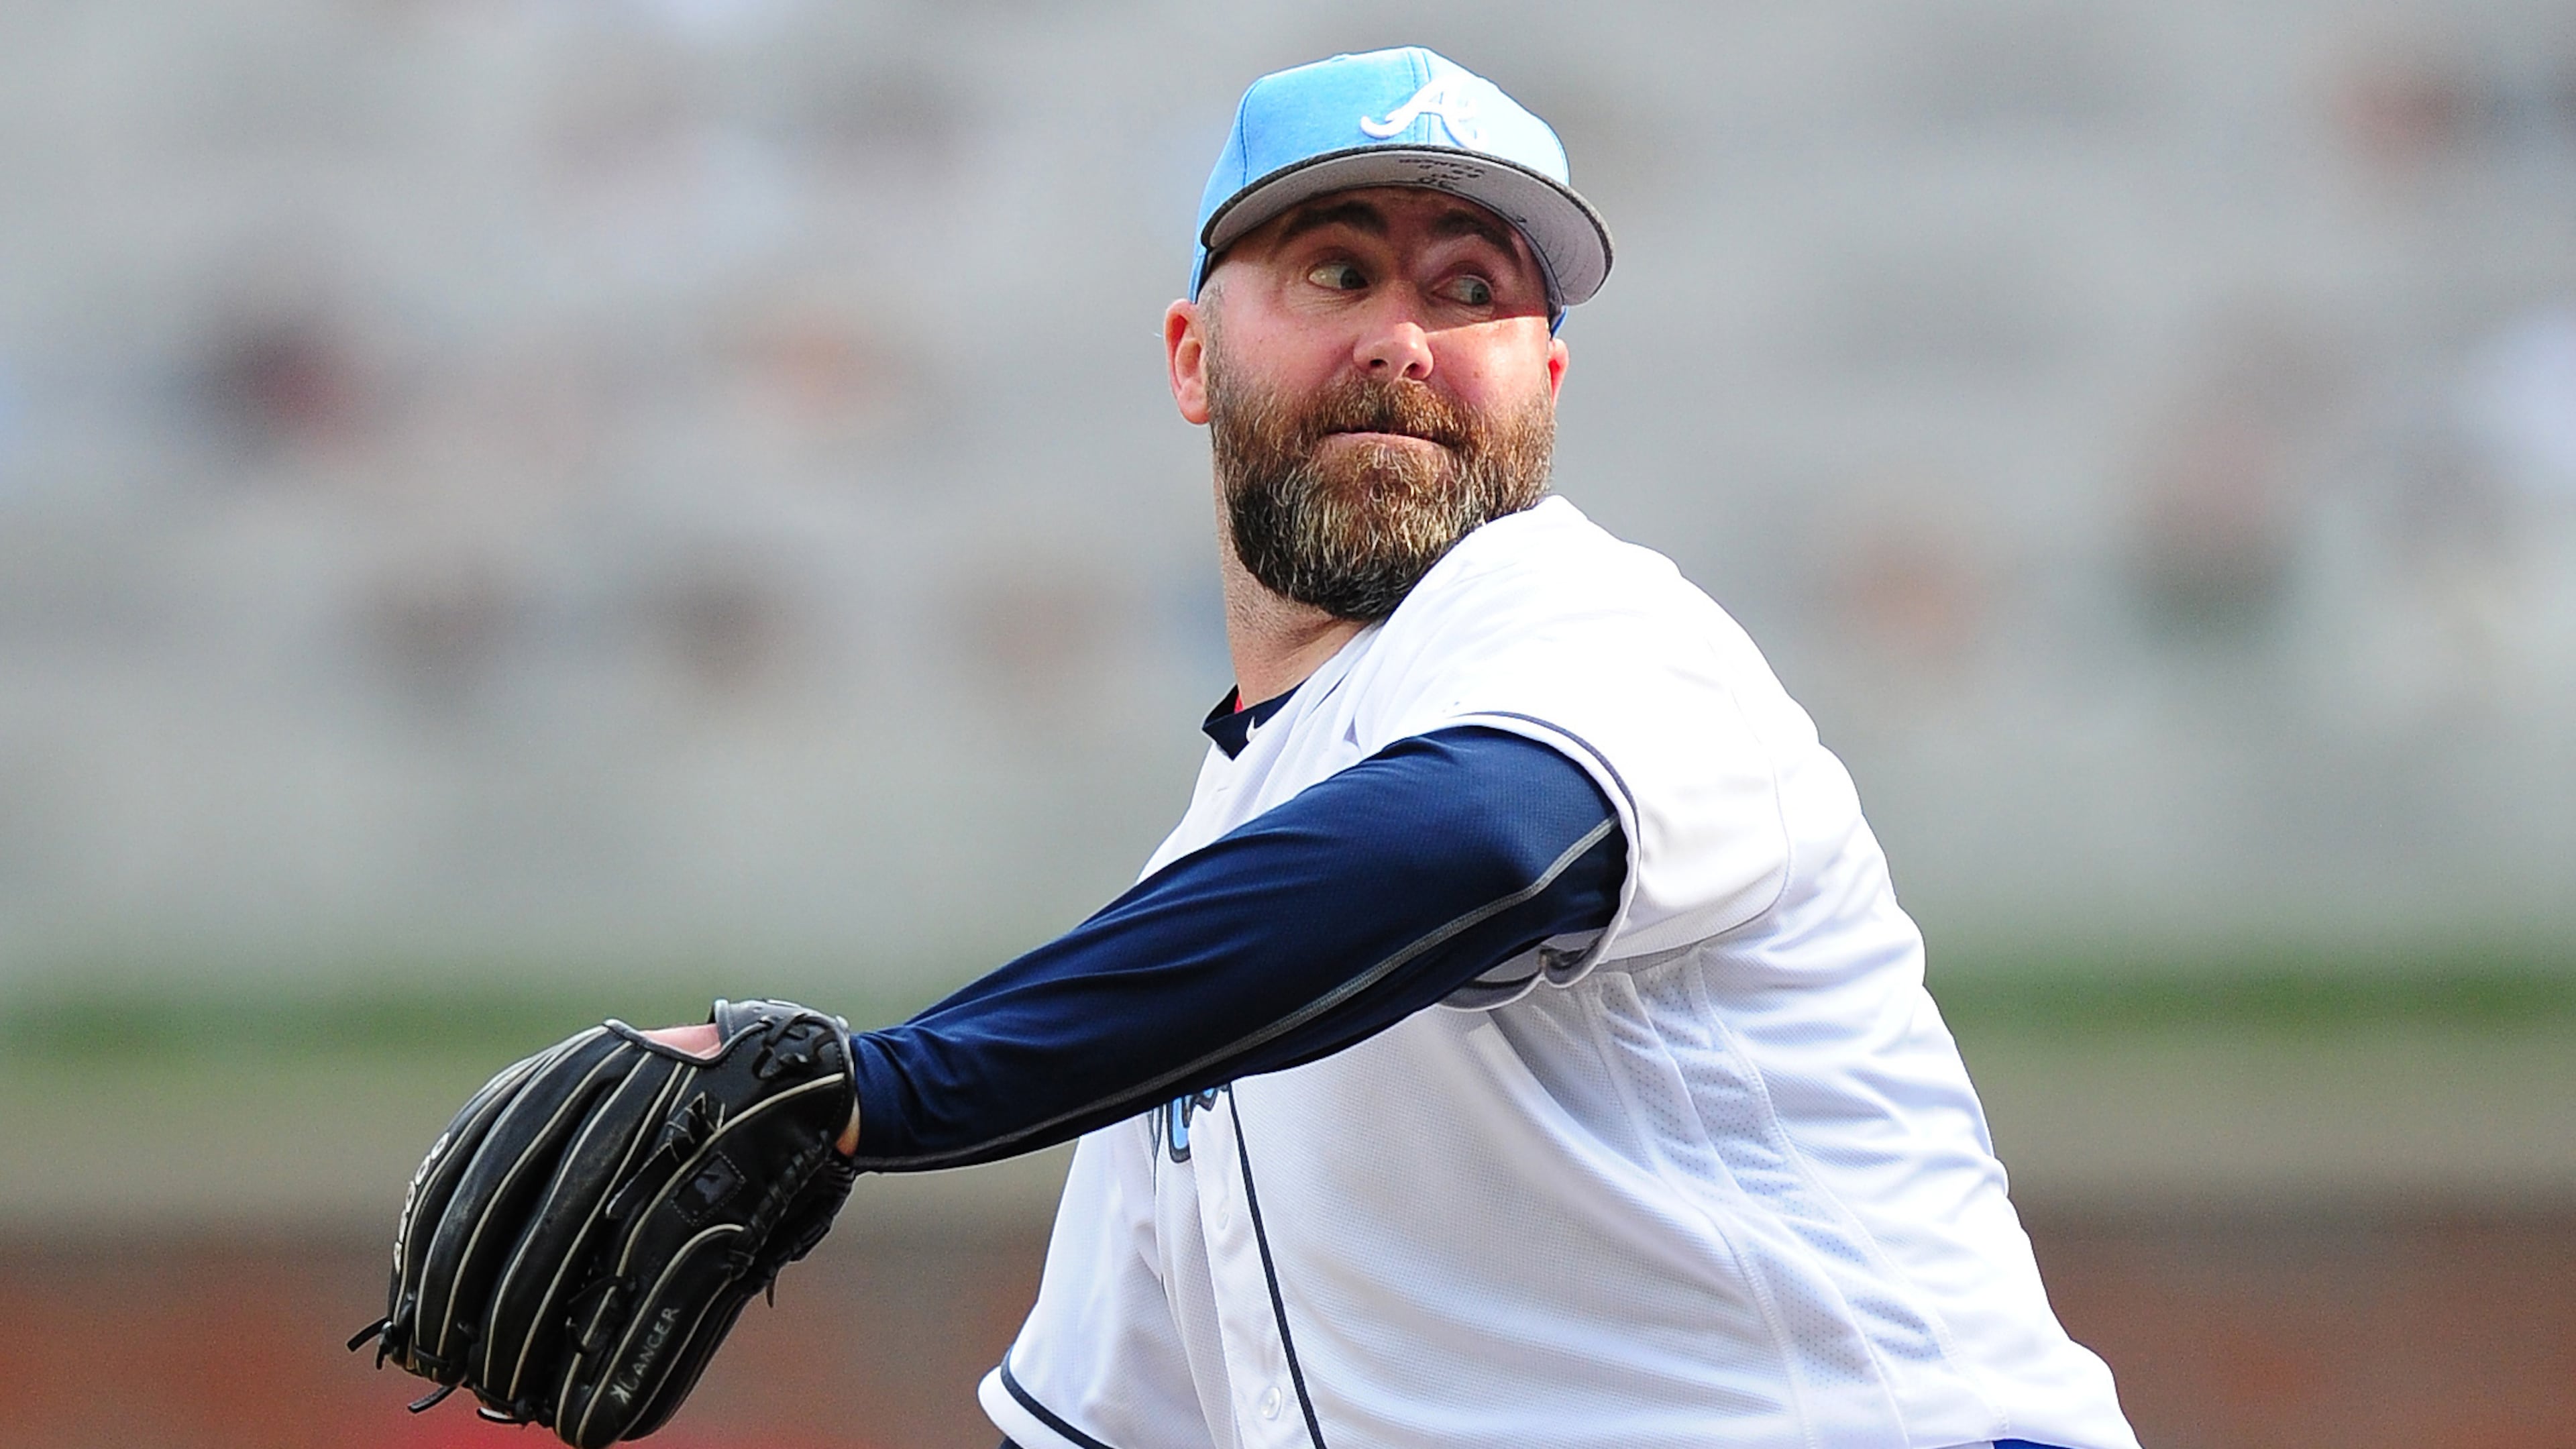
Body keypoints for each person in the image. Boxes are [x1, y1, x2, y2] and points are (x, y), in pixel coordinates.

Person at [664, 46, 2136, 1449]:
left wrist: (884, 1089)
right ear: (1192, 357)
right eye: (1338, 271)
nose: (1403, 337)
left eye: (1473, 286)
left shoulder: (1596, 624)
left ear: (1546, 388)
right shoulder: (1199, 921)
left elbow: (1479, 843)